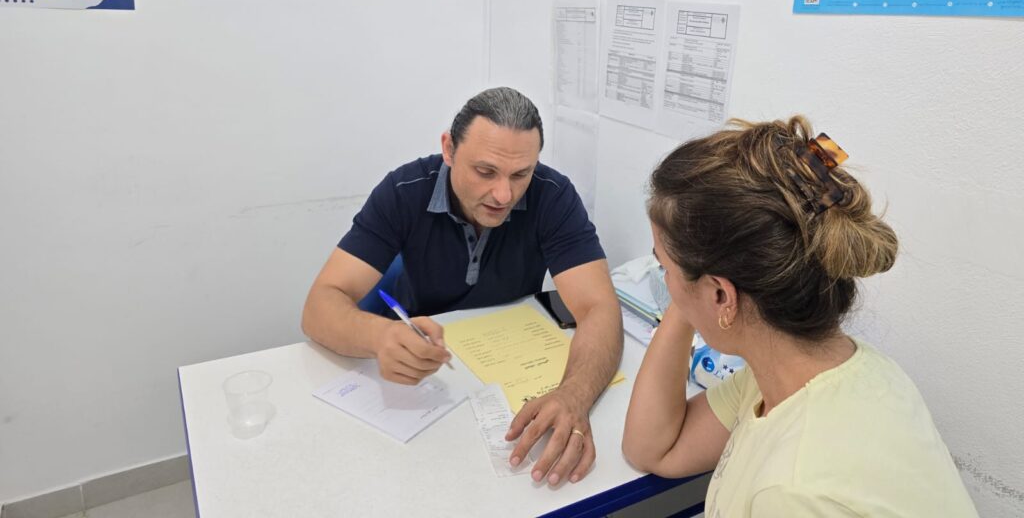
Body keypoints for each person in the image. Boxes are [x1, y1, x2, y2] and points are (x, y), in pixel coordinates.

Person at [622, 117, 978, 517]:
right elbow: (653, 449)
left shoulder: (795, 493)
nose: (664, 280)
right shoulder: (810, 373)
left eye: (663, 267)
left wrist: (691, 280)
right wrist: (689, 283)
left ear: (721, 294)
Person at [303, 87, 623, 486]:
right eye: (485, 172)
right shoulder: (404, 191)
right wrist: (379, 336)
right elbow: (319, 306)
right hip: (428, 378)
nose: (504, 195)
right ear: (449, 150)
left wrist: (574, 396)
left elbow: (598, 307)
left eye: (520, 174)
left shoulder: (552, 195)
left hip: (507, 371)